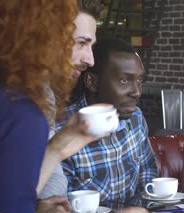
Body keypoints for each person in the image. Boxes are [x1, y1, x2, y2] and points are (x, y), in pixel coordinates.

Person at [0, 1, 152, 213]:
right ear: (40, 37)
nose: (89, 60)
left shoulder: (8, 95)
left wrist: (59, 146)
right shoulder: (22, 112)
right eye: (81, 43)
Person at [32, 0, 103, 213]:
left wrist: (45, 210)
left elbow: (50, 172)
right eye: (82, 43)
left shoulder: (43, 94)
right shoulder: (8, 98)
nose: (90, 59)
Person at [55, 37, 158, 202]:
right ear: (92, 82)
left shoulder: (136, 118)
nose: (137, 92)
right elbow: (56, 205)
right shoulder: (60, 129)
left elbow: (148, 170)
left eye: (139, 80)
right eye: (124, 80)